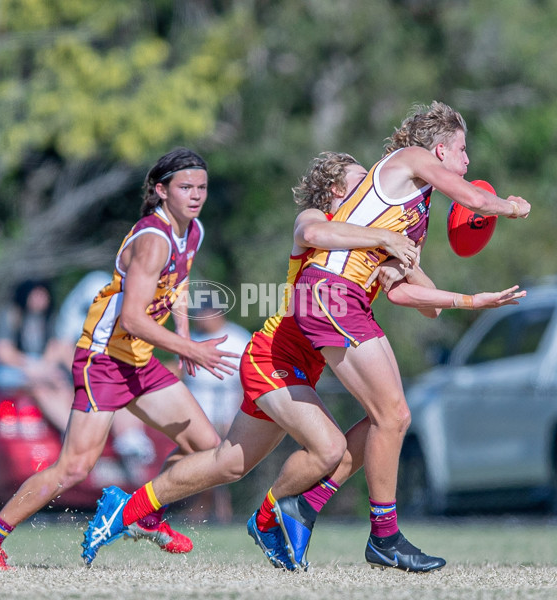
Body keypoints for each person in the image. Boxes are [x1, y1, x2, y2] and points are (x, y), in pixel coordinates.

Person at [80, 149, 524, 571]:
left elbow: (426, 305)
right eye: (359, 180)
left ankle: (126, 508)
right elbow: (312, 235)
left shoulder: (372, 239)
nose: (371, 186)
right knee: (330, 447)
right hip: (272, 355)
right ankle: (272, 517)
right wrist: (387, 237)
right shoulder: (318, 219)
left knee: (230, 463)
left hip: (299, 370)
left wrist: (428, 276)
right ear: (334, 189)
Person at [271, 100, 531, 572]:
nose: (468, 162)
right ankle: (383, 537)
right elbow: (473, 198)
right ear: (439, 148)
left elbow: (403, 294)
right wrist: (511, 206)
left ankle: (303, 508)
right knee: (390, 415)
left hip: (348, 300)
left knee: (391, 417)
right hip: (329, 292)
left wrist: (475, 302)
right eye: (463, 150)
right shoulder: (410, 161)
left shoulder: (414, 212)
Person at [0, 147, 238, 570]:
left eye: (201, 187)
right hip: (104, 361)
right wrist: (189, 348)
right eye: (186, 187)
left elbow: (178, 286)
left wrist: (183, 333)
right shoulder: (152, 241)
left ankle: (144, 515)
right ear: (162, 191)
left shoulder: (192, 230)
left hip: (139, 360)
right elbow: (130, 318)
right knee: (74, 468)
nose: (196, 195)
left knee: (205, 447)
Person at [53, 270, 158, 484]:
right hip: (83, 382)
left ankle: (129, 443)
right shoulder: (84, 310)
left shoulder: (112, 308)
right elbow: (63, 350)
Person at [183, 306, 251, 522]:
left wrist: (237, 415)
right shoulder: (192, 337)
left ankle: (220, 515)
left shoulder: (238, 338)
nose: (199, 319)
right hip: (193, 418)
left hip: (224, 416)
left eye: (203, 313)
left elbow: (247, 383)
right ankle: (203, 514)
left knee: (218, 470)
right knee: (202, 467)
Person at [0, 278, 73, 433]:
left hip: (41, 370)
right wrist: (31, 366)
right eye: (36, 295)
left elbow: (56, 348)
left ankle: (73, 429)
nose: (40, 300)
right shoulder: (11, 316)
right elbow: (3, 352)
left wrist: (46, 368)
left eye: (43, 296)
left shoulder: (50, 319)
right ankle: (70, 431)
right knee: (40, 390)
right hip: (16, 371)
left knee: (62, 386)